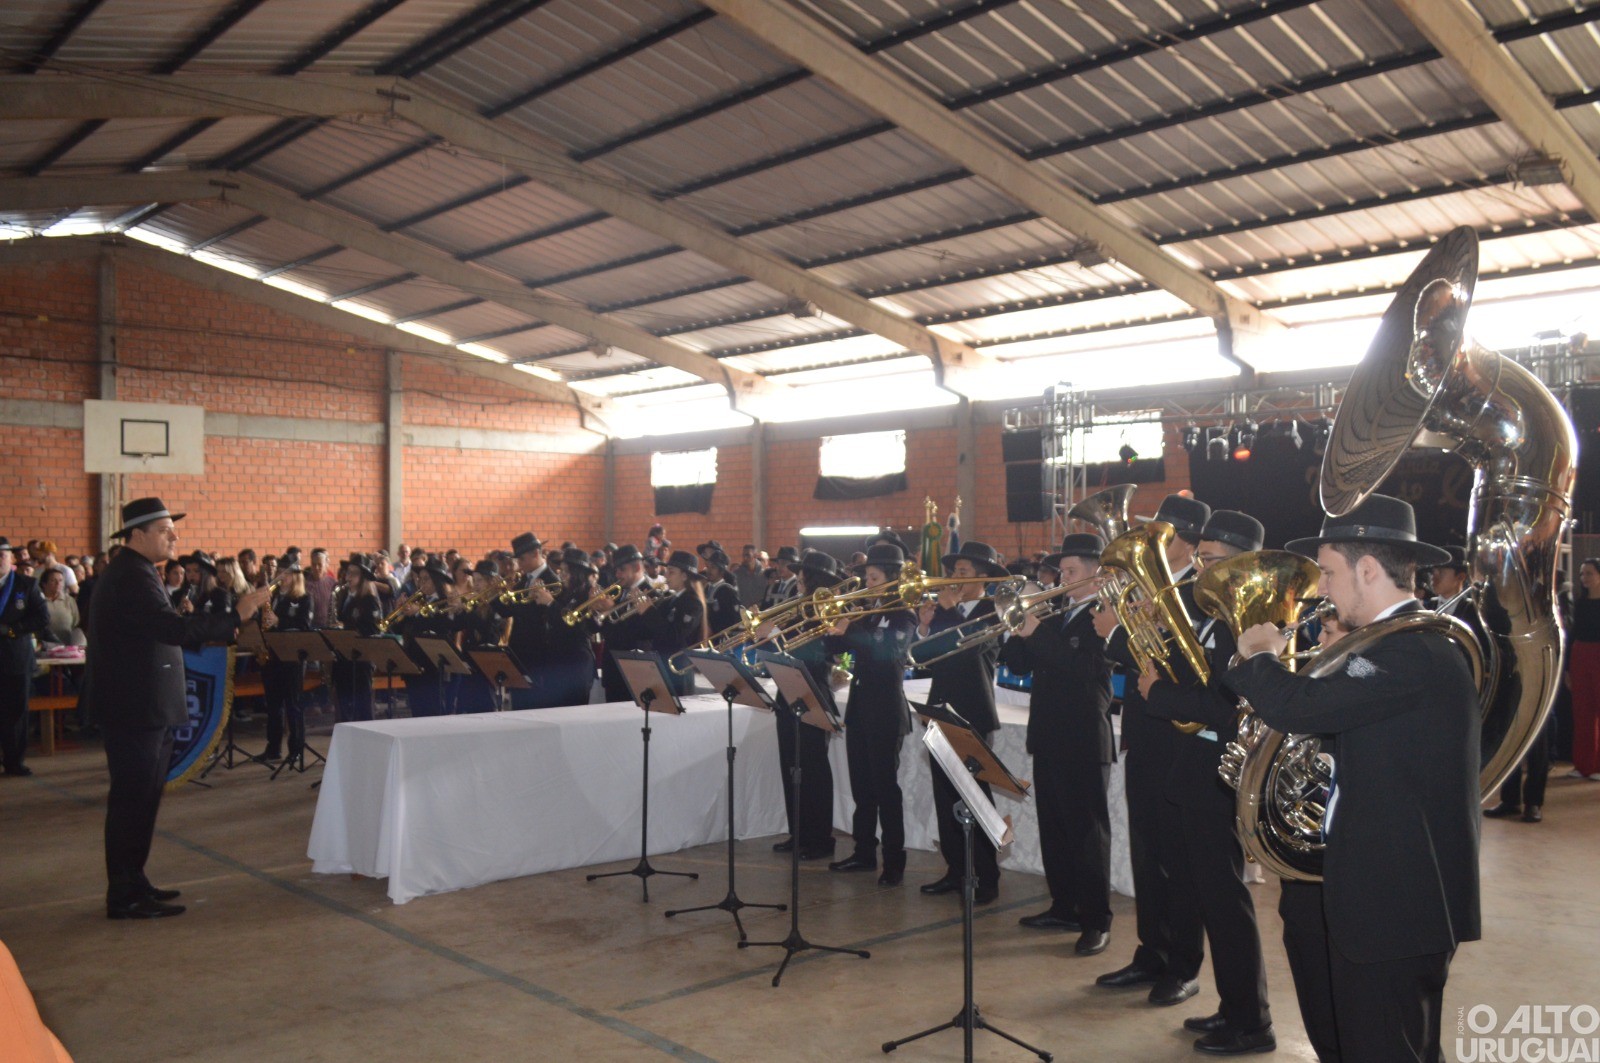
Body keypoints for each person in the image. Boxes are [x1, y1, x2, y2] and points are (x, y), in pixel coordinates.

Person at [1225, 493, 1478, 1062]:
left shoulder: (1413, 647)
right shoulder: (1387, 648)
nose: (1322, 591)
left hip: (1396, 906)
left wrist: (1259, 658)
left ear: (1367, 569)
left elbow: (1303, 708)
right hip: (1370, 894)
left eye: (1330, 573)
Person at [83, 498, 269, 918]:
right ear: (137, 534)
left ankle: (134, 880)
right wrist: (235, 616)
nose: (175, 537)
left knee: (145, 798)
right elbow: (171, 630)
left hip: (144, 704)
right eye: (165, 530)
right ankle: (124, 894)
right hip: (135, 707)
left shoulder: (137, 572)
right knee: (133, 799)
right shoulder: (131, 575)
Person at [1138, 511, 1275, 1054]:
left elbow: (1230, 708)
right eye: (1202, 557)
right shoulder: (1218, 616)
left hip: (1220, 776)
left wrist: (1159, 696)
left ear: (1243, 564)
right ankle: (1233, 1007)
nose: (1202, 567)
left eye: (1212, 559)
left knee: (1226, 899)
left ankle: (1254, 1023)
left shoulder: (1251, 621)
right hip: (1197, 774)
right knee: (1212, 898)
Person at [1097, 493, 1211, 1005]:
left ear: (1186, 542)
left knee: (1182, 860)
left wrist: (1117, 633)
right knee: (1147, 853)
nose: (1152, 543)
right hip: (1144, 736)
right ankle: (1152, 952)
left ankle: (1184, 963)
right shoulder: (1149, 587)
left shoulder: (1204, 594)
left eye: (1163, 536)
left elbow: (1174, 667)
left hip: (1180, 742)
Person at [1002, 533, 1116, 956]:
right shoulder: (1055, 616)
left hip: (1084, 738)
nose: (1060, 579)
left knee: (1088, 834)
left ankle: (1096, 919)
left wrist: (1036, 631)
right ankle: (1063, 906)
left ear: (1095, 577)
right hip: (1048, 736)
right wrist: (1019, 627)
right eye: (1060, 572)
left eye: (1070, 572)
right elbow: (1017, 665)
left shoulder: (1105, 616)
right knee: (1055, 828)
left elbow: (1082, 668)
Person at [915, 540, 1009, 904]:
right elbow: (923, 658)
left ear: (982, 577)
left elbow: (971, 651)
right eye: (954, 572)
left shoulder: (993, 610)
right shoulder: (944, 611)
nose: (954, 578)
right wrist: (924, 629)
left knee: (974, 796)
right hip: (940, 708)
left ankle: (987, 876)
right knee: (946, 796)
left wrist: (951, 613)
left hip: (973, 712)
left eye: (963, 573)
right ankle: (956, 870)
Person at [824, 542, 916, 885]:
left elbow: (887, 652)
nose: (868, 584)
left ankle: (894, 862)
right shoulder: (868, 611)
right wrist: (831, 627)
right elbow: (842, 648)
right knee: (862, 788)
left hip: (886, 711)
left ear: (892, 579)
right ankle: (864, 852)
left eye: (874, 577)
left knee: (885, 790)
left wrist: (851, 628)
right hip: (861, 709)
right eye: (867, 577)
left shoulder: (904, 614)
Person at [767, 550, 846, 861]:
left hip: (813, 693)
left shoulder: (829, 611)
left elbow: (819, 654)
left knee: (813, 769)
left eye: (802, 580)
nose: (798, 584)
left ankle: (820, 838)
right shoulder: (798, 609)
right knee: (791, 766)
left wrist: (776, 634)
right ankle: (798, 832)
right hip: (787, 692)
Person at [494, 532, 562, 710]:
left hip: (540, 654)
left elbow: (546, 617)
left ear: (536, 553)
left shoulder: (552, 581)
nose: (519, 565)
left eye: (522, 559)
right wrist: (495, 594)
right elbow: (507, 611)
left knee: (536, 707)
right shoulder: (524, 579)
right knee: (519, 706)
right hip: (520, 652)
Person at [0, 538, 49, 778]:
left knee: (16, 712)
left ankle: (14, 761)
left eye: (2, 555)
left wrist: (12, 629)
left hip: (16, 658)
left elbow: (42, 618)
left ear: (11, 559)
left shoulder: (26, 585)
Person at [260, 556, 312, 762]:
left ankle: (296, 749)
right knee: (273, 705)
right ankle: (273, 748)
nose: (281, 576)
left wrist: (279, 620)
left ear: (296, 576)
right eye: (280, 572)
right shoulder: (273, 596)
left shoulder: (304, 599)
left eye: (286, 573)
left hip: (293, 658)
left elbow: (304, 625)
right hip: (272, 656)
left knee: (293, 705)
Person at [637, 550, 707, 698]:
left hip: (677, 669)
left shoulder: (693, 603)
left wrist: (648, 611)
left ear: (684, 576)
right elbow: (649, 631)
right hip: (660, 665)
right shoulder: (669, 600)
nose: (666, 576)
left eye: (671, 572)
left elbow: (675, 635)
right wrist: (641, 612)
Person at [592, 545, 654, 703]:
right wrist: (599, 611)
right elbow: (607, 630)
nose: (617, 575)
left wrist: (611, 610)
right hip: (613, 669)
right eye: (616, 570)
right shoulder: (619, 592)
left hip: (635, 670)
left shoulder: (651, 593)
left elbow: (641, 632)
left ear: (637, 567)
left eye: (622, 569)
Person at [332, 554, 384, 723]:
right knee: (344, 703)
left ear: (363, 578)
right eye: (348, 573)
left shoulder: (369, 600)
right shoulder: (345, 596)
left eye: (354, 573)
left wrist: (347, 629)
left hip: (361, 659)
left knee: (362, 705)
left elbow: (373, 629)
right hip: (344, 657)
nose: (348, 577)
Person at [454, 560, 509, 714]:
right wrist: (458, 611)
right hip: (469, 663)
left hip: (486, 666)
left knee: (485, 709)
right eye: (474, 580)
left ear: (491, 582)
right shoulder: (475, 602)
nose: (475, 584)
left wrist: (469, 612)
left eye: (480, 581)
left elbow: (491, 634)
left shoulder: (498, 604)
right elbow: (457, 626)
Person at [1563, 557, 1600, 782]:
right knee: (1582, 711)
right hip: (1580, 655)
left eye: (1589, 573)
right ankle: (1583, 764)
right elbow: (1572, 634)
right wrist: (1568, 668)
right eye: (1582, 574)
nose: (1584, 578)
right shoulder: (1580, 602)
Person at [700, 549, 741, 639]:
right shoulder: (705, 588)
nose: (709, 570)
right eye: (708, 567)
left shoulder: (728, 591)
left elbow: (734, 621)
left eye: (713, 567)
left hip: (722, 639)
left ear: (722, 571)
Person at [38, 566, 84, 647]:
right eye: (53, 580)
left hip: (68, 646)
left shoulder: (69, 600)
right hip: (45, 646)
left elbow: (76, 623)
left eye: (61, 580)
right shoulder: (38, 601)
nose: (58, 583)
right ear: (44, 584)